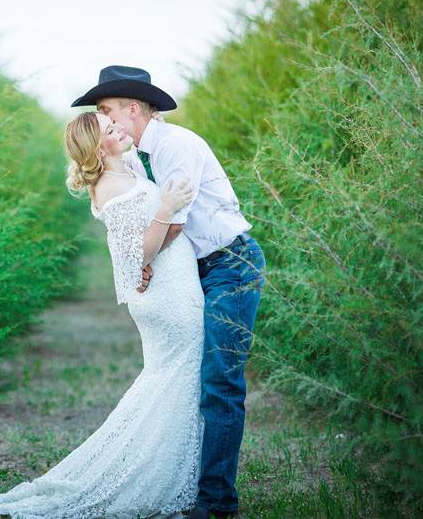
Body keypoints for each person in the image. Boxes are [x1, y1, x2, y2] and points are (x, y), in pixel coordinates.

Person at [0, 111, 205, 518]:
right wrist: (167, 205)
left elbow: (145, 243)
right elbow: (136, 257)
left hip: (170, 286)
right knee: (176, 381)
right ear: (99, 148)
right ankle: (160, 477)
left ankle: (173, 471)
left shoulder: (121, 176)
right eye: (110, 130)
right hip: (168, 298)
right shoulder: (113, 186)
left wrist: (167, 220)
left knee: (171, 384)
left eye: (114, 124)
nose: (119, 129)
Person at [73, 65, 266, 518]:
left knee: (220, 382)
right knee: (200, 380)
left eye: (106, 110)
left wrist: (141, 260)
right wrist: (142, 261)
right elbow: (145, 223)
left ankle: (217, 504)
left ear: (133, 107)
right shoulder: (141, 156)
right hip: (200, 270)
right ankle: (196, 486)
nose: (108, 120)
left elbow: (173, 222)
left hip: (229, 265)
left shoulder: (175, 145)